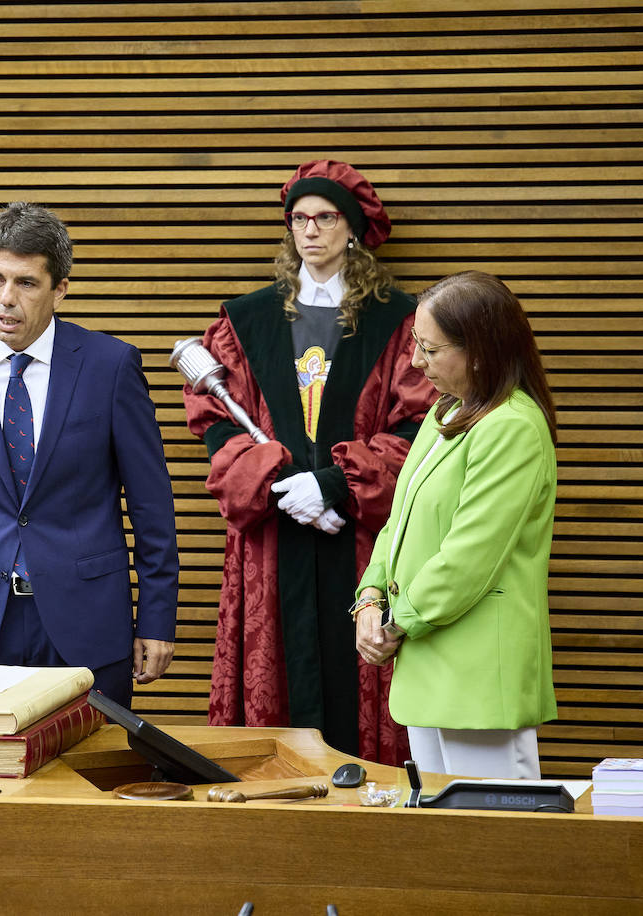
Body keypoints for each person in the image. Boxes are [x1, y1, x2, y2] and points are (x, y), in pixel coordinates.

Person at [183, 160, 436, 761]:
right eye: (299, 219)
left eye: (325, 217)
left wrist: (335, 486)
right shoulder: (247, 320)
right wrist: (277, 483)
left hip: (362, 542)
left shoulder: (400, 321)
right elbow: (215, 422)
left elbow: (417, 426)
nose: (310, 231)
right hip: (274, 543)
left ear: (353, 227)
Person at [0, 202, 179, 708]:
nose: (5, 299)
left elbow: (152, 508)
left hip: (90, 626)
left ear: (60, 289)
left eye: (26, 283)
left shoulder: (110, 365)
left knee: (92, 777)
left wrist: (156, 620)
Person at [354, 271, 558, 779]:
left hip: (479, 674)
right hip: (428, 660)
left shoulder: (512, 426)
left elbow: (470, 555)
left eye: (429, 349)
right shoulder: (445, 412)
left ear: (481, 351)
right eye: (414, 345)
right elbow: (396, 522)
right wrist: (370, 599)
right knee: (447, 840)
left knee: (496, 844)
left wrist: (395, 624)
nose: (416, 363)